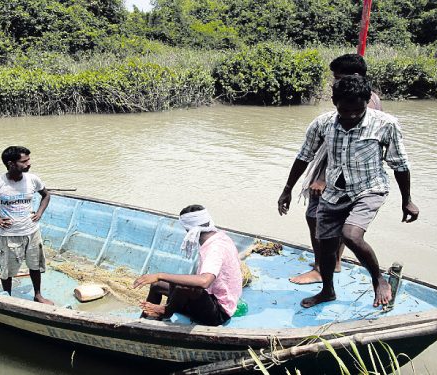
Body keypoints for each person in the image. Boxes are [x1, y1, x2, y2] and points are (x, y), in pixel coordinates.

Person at [277, 75, 419, 308]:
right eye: (345, 110)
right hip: (334, 191)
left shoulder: (386, 124)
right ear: (334, 102)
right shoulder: (323, 124)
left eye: (358, 110)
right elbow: (304, 156)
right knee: (325, 244)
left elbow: (400, 164)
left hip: (369, 189)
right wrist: (287, 190)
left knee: (351, 235)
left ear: (367, 101)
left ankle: (378, 279)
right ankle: (327, 291)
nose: (351, 116)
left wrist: (407, 200)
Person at [290, 53, 384, 285]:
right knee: (335, 220)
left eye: (337, 77)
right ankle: (333, 264)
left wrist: (321, 178)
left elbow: (345, 151)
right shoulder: (368, 96)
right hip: (347, 172)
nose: (334, 82)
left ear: (354, 77)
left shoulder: (361, 101)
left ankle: (323, 267)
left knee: (317, 216)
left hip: (339, 175)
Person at [0, 146, 54, 305]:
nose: (29, 164)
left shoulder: (33, 179)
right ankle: (7, 297)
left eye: (29, 160)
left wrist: (40, 212)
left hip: (32, 232)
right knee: (7, 271)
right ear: (11, 164)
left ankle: (38, 295)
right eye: (24, 161)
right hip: (9, 235)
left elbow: (46, 195)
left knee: (35, 265)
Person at [132, 205, 242, 326]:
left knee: (185, 286)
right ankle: (143, 321)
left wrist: (160, 275)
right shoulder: (220, 237)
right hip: (208, 299)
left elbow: (205, 281)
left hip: (218, 313)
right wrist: (159, 279)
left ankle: (166, 311)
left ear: (188, 230)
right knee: (157, 285)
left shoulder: (215, 248)